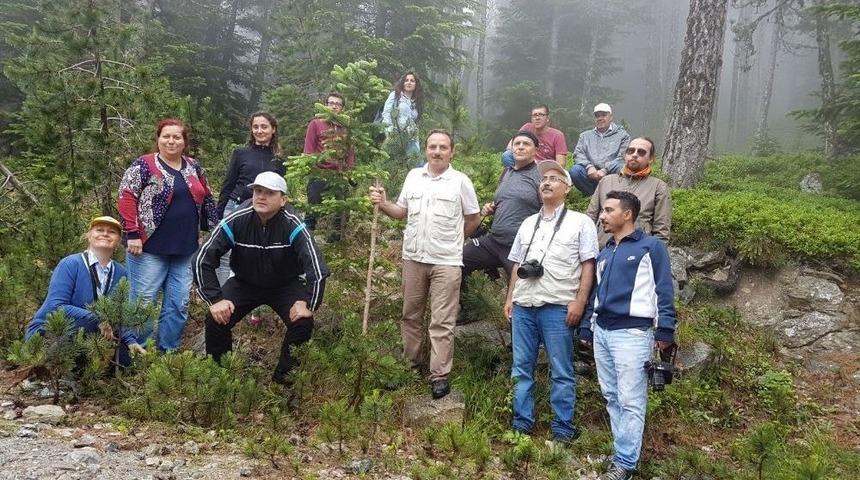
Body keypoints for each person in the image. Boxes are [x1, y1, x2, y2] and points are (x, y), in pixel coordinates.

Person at [369, 130, 480, 399]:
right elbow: (401, 212)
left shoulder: (460, 182)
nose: (437, 152)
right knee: (410, 315)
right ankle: (410, 365)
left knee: (442, 320)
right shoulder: (413, 177)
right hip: (414, 258)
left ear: (452, 152)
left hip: (446, 262)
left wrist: (456, 241)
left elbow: (474, 218)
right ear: (426, 150)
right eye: (432, 147)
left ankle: (439, 374)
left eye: (443, 147)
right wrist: (383, 203)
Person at [193, 171, 329, 385]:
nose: (261, 197)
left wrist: (309, 304)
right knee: (216, 318)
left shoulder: (293, 223)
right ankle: (219, 379)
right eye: (258, 191)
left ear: (283, 199)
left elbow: (317, 267)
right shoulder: (237, 218)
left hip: (285, 284)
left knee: (302, 322)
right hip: (244, 282)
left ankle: (283, 383)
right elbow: (202, 258)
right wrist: (215, 299)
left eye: (270, 193)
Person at [579, 191, 677, 480]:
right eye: (602, 210)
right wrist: (587, 326)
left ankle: (624, 463)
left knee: (631, 399)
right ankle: (621, 454)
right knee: (611, 395)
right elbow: (596, 293)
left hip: (633, 333)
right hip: (602, 331)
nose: (602, 216)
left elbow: (664, 289)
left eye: (609, 210)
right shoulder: (606, 251)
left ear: (628, 214)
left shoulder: (651, 247)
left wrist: (665, 328)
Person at [503, 160, 598, 444]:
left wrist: (580, 302)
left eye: (554, 178)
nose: (546, 182)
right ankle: (521, 425)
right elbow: (517, 263)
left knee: (561, 370)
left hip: (558, 306)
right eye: (544, 179)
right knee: (521, 368)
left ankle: (562, 428)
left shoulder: (581, 222)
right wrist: (510, 298)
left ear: (567, 188)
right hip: (524, 304)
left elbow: (589, 265)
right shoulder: (527, 223)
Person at [118, 118, 218, 352]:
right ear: (158, 139)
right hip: (148, 248)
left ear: (184, 142)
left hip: (185, 249)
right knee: (142, 304)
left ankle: (167, 354)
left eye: (176, 137)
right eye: (166, 136)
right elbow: (126, 196)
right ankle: (136, 353)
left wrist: (213, 230)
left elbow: (207, 197)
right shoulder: (144, 164)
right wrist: (132, 233)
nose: (171, 141)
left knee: (178, 304)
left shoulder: (194, 166)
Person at [24, 216, 146, 363]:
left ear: (119, 240)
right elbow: (56, 306)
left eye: (112, 232)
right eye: (99, 230)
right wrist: (97, 318)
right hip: (52, 331)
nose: (105, 234)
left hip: (92, 336)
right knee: (65, 351)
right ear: (88, 236)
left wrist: (130, 340)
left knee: (126, 362)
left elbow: (119, 315)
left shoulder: (121, 273)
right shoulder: (70, 264)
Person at [461, 131, 542, 298]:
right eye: (517, 143)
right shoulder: (507, 172)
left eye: (526, 144)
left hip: (519, 245)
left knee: (520, 292)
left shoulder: (540, 176)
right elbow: (505, 200)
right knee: (458, 260)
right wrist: (491, 208)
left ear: (536, 150)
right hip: (494, 240)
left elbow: (547, 211)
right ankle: (467, 306)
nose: (520, 147)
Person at [216, 112, 285, 285]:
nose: (259, 131)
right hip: (235, 207)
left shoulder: (279, 159)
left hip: (264, 212)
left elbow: (280, 189)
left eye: (264, 127)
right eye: (255, 127)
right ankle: (224, 294)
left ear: (273, 129)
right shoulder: (241, 153)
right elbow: (228, 183)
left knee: (253, 255)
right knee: (225, 256)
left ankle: (248, 294)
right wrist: (218, 214)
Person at [585, 136, 671, 247]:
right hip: (602, 250)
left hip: (637, 252)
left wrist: (655, 254)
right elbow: (589, 218)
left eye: (641, 152)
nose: (634, 154)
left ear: (650, 158)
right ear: (625, 155)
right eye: (631, 151)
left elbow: (662, 231)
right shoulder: (606, 181)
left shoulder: (658, 187)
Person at [303, 92, 355, 239]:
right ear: (325, 105)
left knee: (341, 212)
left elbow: (350, 152)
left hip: (340, 175)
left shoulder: (346, 128)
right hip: (319, 173)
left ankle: (336, 241)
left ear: (342, 108)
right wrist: (311, 168)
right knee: (313, 208)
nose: (334, 106)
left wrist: (349, 172)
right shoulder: (316, 124)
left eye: (338, 104)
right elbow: (309, 149)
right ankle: (306, 238)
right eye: (331, 103)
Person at [570, 103, 631, 197]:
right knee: (575, 171)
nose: (600, 118)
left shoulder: (623, 135)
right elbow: (578, 154)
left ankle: (612, 195)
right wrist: (589, 166)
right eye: (597, 116)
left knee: (621, 166)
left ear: (611, 117)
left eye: (603, 115)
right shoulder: (585, 136)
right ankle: (593, 195)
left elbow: (622, 157)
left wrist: (605, 170)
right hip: (591, 174)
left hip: (611, 173)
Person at [501, 105, 568, 168]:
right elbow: (510, 147)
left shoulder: (557, 135)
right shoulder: (527, 128)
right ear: (531, 118)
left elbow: (561, 163)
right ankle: (515, 174)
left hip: (544, 168)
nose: (537, 118)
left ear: (547, 118)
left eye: (541, 115)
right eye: (534, 115)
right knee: (507, 155)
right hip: (527, 163)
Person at [381, 71, 423, 159]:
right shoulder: (395, 95)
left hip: (412, 139)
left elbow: (415, 121)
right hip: (396, 135)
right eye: (406, 80)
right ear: (403, 83)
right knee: (393, 162)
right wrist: (389, 132)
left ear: (416, 84)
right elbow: (386, 114)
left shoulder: (416, 101)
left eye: (412, 81)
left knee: (415, 162)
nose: (409, 82)